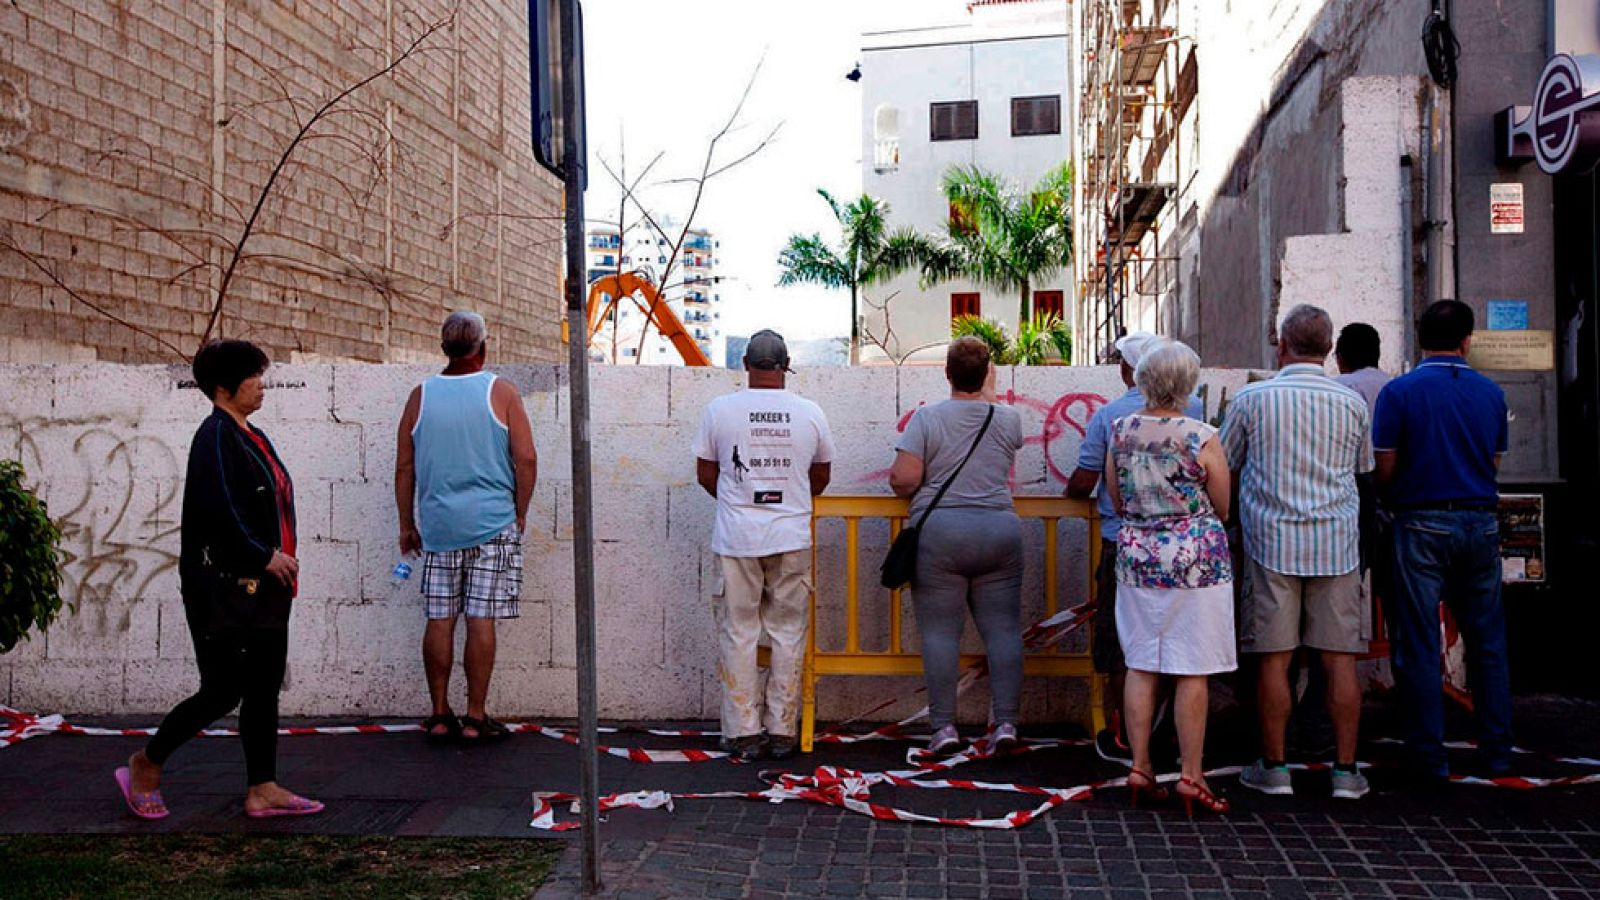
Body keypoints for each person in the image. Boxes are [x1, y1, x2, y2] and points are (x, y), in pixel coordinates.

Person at [116, 340, 322, 820]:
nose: (262, 385)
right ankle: (147, 762)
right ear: (225, 388)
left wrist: (277, 562)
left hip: (268, 588)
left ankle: (262, 787)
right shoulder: (214, 436)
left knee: (263, 687)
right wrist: (262, 555)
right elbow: (218, 510)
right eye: (253, 377)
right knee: (223, 688)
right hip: (226, 589)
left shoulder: (253, 435)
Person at [1221, 304, 1374, 800]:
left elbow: (1224, 466)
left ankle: (1275, 767)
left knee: (1274, 659)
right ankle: (1346, 771)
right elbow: (1362, 470)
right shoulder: (1352, 403)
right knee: (1340, 661)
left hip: (1271, 542)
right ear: (1329, 349)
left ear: (1282, 345)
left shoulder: (1252, 399)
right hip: (1336, 545)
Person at [1373, 300, 1512, 781]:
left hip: (1420, 522)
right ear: (1467, 341)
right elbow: (1493, 463)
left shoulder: (1399, 393)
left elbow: (1385, 467)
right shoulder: (1491, 393)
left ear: (1420, 339)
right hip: (1480, 521)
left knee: (1417, 641)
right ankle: (1498, 751)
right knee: (1487, 642)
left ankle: (1428, 756)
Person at [1104, 338, 1236, 815]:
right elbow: (1223, 505)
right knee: (1191, 668)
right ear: (1187, 384)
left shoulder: (1121, 431)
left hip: (1137, 558)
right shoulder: (1202, 435)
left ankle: (1140, 766)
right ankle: (1191, 775)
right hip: (1196, 562)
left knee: (1141, 662)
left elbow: (1116, 498)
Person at [693, 329, 835, 761]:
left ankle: (742, 733)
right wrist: (789, 503)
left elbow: (706, 473)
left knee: (738, 631)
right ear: (786, 366)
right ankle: (782, 730)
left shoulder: (720, 410)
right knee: (788, 631)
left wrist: (739, 504)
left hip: (737, 538)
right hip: (791, 536)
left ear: (745, 365)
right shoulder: (810, 412)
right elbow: (821, 476)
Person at [396, 312, 538, 743]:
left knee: (440, 618)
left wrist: (407, 524)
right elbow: (526, 458)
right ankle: (476, 717)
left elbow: (405, 468)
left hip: (440, 527)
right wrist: (520, 510)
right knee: (481, 618)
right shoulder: (501, 392)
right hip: (493, 524)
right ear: (483, 348)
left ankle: (440, 714)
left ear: (444, 349)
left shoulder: (420, 396)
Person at [1066, 331, 1203, 765]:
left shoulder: (1111, 418)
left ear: (1130, 369)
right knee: (1180, 642)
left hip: (1125, 543)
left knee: (1120, 642)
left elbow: (1092, 479)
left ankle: (1126, 736)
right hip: (1186, 547)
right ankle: (1171, 735)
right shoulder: (1197, 413)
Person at [890, 337, 1025, 755]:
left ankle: (944, 727)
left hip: (942, 535)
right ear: (986, 375)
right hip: (1000, 531)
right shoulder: (1009, 419)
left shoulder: (926, 419)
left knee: (940, 633)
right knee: (1003, 630)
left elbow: (903, 480)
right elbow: (990, 420)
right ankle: (1006, 723)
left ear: (946, 373)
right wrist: (988, 391)